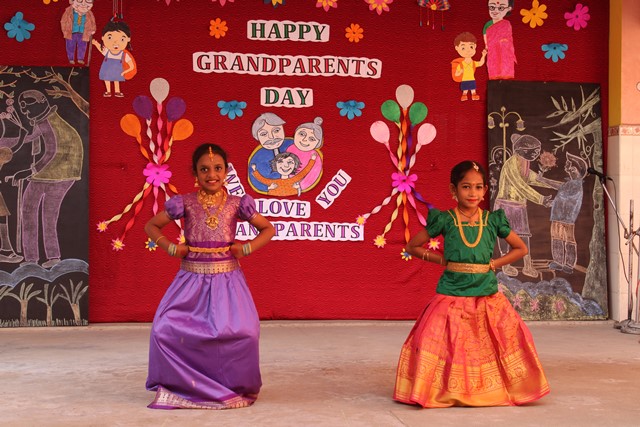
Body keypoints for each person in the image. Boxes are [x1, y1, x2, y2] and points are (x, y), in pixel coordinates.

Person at [393, 160, 549, 408]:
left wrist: (493, 264)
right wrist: (442, 260)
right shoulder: (445, 220)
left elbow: (521, 248)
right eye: (466, 187)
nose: (472, 193)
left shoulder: (492, 220)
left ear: (485, 190)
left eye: (478, 187)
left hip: (485, 293)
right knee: (441, 341)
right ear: (453, 190)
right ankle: (438, 389)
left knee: (492, 342)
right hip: (451, 292)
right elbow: (412, 246)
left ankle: (489, 390)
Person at [144, 143, 275, 410]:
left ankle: (231, 386)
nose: (211, 174)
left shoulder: (238, 204)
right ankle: (183, 385)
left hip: (228, 282)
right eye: (204, 169)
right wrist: (171, 247)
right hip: (190, 281)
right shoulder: (184, 202)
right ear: (195, 172)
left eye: (217, 168)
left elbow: (268, 229)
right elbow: (151, 225)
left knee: (245, 333)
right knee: (163, 331)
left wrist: (246, 248)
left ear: (226, 171)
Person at [91, 20, 134, 97]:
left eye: (121, 39)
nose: (115, 43)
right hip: (106, 71)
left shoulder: (124, 55)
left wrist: (124, 72)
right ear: (103, 38)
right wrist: (95, 43)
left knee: (116, 80)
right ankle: (108, 91)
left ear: (128, 39)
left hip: (117, 72)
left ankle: (117, 91)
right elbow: (101, 49)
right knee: (107, 80)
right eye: (110, 38)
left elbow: (132, 66)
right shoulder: (107, 52)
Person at [251, 152, 317, 197]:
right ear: (275, 165)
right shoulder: (274, 182)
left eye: (290, 162)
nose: (286, 165)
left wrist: (312, 160)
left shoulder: (294, 180)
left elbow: (305, 172)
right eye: (280, 162)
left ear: (295, 165)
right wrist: (255, 170)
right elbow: (262, 180)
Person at [286, 117, 324, 191]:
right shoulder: (290, 148)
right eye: (302, 134)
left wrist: (300, 186)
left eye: (311, 139)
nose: (304, 140)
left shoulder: (314, 156)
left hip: (299, 187)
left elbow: (313, 175)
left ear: (317, 143)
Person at [483, 0, 516, 80]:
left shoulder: (506, 24)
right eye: (492, 7)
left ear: (509, 8)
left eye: (501, 8)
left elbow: (509, 41)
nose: (495, 10)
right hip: (492, 53)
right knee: (494, 73)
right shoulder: (487, 25)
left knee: (506, 73)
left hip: (506, 53)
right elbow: (486, 41)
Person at [451, 32, 487, 101]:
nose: (468, 51)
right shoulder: (460, 64)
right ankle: (464, 95)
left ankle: (474, 95)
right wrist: (459, 72)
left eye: (471, 47)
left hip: (472, 79)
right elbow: (456, 74)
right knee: (465, 90)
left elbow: (480, 63)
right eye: (463, 48)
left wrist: (483, 55)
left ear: (475, 46)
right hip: (464, 80)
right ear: (457, 48)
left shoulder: (473, 63)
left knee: (473, 89)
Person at [60, 0, 96, 65]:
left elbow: (92, 22)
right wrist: (65, 30)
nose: (83, 4)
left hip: (83, 33)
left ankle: (80, 59)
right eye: (79, 0)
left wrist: (93, 29)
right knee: (70, 46)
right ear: (72, 1)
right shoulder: (68, 11)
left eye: (88, 1)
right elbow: (63, 21)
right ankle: (71, 59)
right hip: (71, 33)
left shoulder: (89, 14)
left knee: (82, 46)